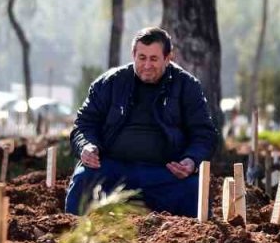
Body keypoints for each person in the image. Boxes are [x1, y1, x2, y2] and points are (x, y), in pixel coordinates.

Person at [65, 26, 218, 217]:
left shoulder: (187, 86)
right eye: (142, 58)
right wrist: (86, 146)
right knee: (83, 179)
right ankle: (74, 233)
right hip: (112, 167)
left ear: (168, 57)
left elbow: (204, 134)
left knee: (193, 190)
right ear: (133, 55)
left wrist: (191, 160)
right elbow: (84, 124)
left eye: (154, 59)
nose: (147, 65)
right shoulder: (109, 83)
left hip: (164, 172)